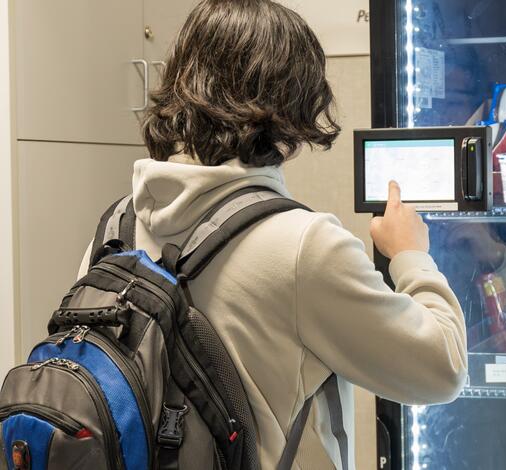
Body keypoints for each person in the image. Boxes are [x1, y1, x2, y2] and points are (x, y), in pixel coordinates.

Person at [77, 1, 467, 468]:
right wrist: (410, 255)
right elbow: (440, 370)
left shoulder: (115, 226)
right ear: (294, 107)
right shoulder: (304, 245)